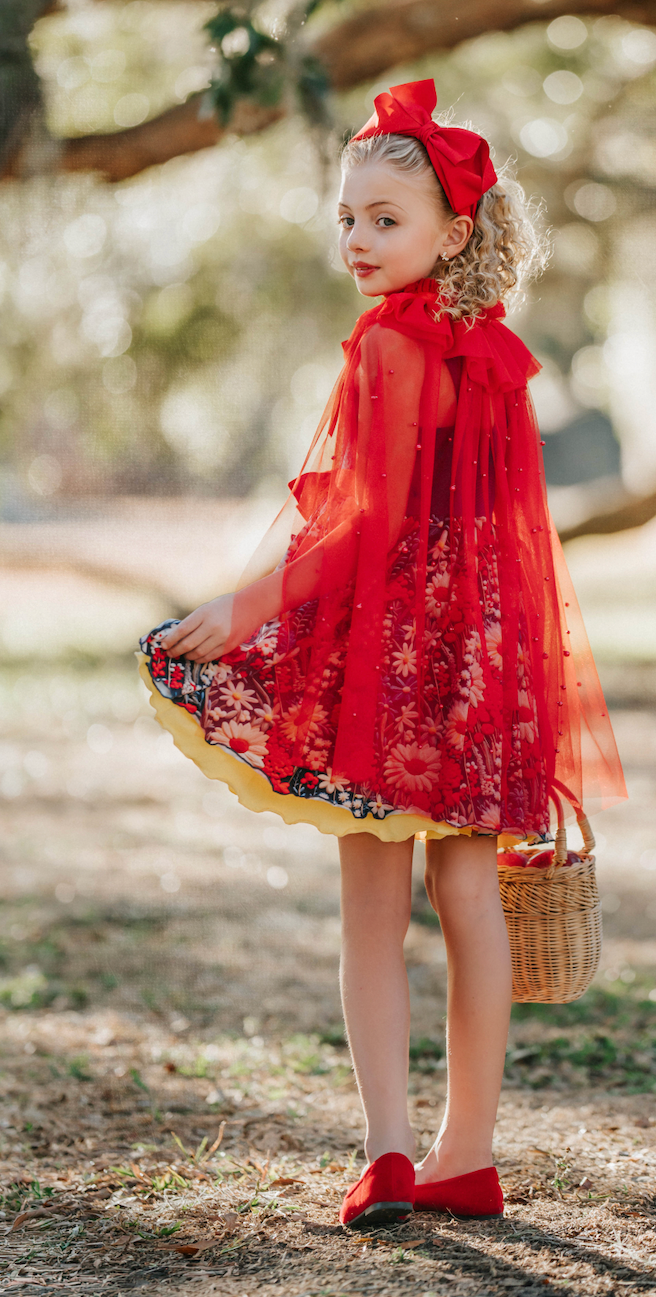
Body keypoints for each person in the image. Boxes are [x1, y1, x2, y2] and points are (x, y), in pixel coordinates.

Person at [138, 78, 626, 1230]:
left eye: (385, 219)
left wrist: (249, 606)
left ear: (453, 234)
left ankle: (391, 1151)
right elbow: (507, 532)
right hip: (480, 653)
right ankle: (468, 1153)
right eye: (348, 216)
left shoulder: (389, 344)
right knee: (467, 896)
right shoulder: (492, 349)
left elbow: (366, 524)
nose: (357, 238)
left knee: (373, 907)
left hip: (389, 662)